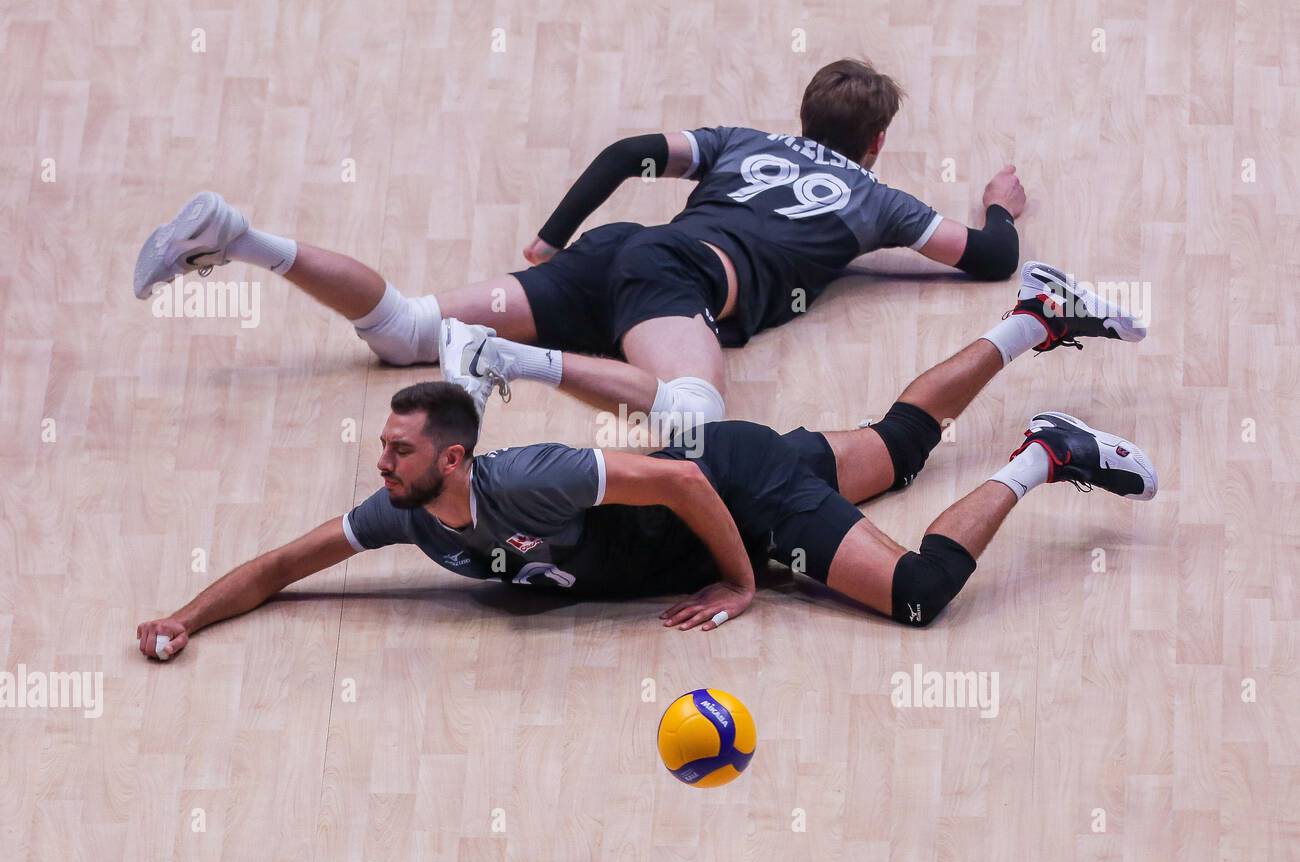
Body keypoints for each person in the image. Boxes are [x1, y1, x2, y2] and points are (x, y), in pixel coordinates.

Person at [135, 270, 1151, 660]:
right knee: (895, 449)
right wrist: (186, 613)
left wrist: (745, 581)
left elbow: (677, 481)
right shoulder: (406, 513)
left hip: (736, 491)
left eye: (396, 449)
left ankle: (1043, 453)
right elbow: (278, 565)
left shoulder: (526, 476)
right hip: (729, 460)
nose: (379, 460)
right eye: (382, 447)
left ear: (451, 458)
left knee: (921, 596)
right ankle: (1035, 316)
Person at [132, 59, 1025, 425]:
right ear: (873, 144)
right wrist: (999, 204)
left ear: (803, 115)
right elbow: (989, 260)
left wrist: (553, 239)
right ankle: (513, 364)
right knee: (689, 420)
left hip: (615, 252)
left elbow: (631, 153)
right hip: (678, 284)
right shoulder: (878, 199)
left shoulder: (744, 143)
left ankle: (241, 237)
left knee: (403, 331)